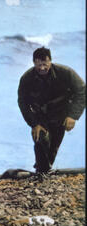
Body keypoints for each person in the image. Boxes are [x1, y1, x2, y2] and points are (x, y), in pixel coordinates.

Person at [18, 47, 85, 177]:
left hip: (61, 114)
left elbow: (82, 91)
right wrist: (34, 123)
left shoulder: (66, 73)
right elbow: (22, 102)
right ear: (34, 63)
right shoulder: (27, 78)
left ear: (50, 61)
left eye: (45, 64)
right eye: (39, 65)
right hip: (40, 117)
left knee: (53, 148)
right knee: (40, 140)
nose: (42, 68)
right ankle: (41, 172)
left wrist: (73, 116)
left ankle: (44, 171)